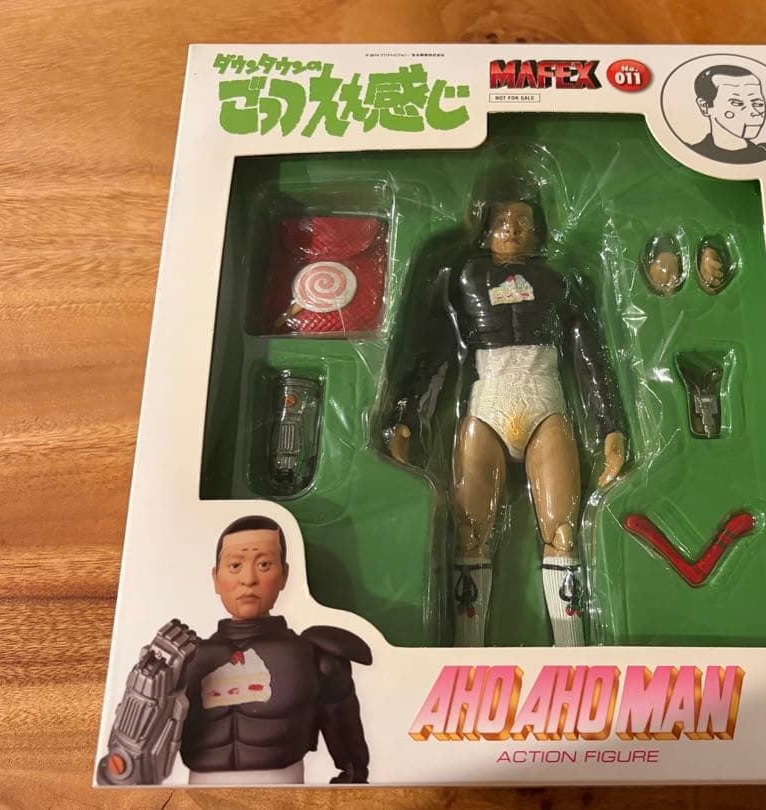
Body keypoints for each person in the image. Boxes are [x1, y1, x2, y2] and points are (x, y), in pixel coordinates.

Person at [387, 174, 625, 647]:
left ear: (538, 232)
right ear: (485, 228)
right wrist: (408, 416)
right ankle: (465, 651)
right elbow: (435, 351)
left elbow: (590, 359)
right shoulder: (462, 281)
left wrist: (610, 426)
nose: (512, 228)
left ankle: (574, 651)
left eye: (522, 221)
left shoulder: (560, 281)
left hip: (545, 403)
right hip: (487, 403)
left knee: (563, 532)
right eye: (501, 221)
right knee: (469, 533)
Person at [97, 515, 371, 785]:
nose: (248, 579)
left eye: (264, 564)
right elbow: (129, 761)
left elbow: (347, 744)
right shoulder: (181, 660)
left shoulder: (311, 655)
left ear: (284, 574)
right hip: (199, 799)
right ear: (216, 578)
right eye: (235, 565)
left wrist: (354, 778)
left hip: (283, 796)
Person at [688, 65, 766, 164]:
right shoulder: (689, 155)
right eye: (737, 103)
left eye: (758, 104)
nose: (754, 112)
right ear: (705, 106)